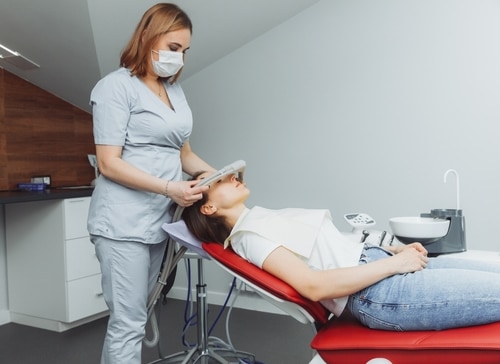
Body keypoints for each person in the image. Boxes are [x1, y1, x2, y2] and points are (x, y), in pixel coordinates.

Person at [182, 171, 500, 332]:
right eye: (216, 180)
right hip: (379, 293)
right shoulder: (248, 236)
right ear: (207, 206)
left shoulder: (260, 218)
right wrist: (396, 264)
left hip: (380, 270)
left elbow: (331, 252)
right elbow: (313, 285)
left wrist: (388, 250)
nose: (231, 176)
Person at [87, 4, 215, 363]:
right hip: (122, 223)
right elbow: (109, 164)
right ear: (147, 37)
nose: (180, 59)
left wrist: (218, 176)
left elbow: (184, 155)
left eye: (185, 52)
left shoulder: (174, 92)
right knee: (128, 324)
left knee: (136, 318)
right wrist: (169, 188)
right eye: (174, 48)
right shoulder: (114, 88)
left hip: (158, 221)